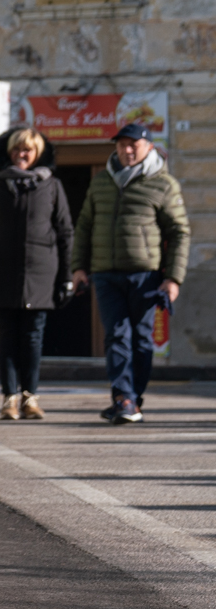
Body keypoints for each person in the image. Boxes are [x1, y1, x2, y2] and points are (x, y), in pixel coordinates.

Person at [70, 121, 189, 426]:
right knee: (117, 335)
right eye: (122, 144)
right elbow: (84, 226)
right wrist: (79, 268)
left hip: (145, 276)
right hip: (106, 274)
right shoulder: (101, 182)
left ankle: (131, 397)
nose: (127, 150)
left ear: (148, 146)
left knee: (141, 340)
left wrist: (172, 278)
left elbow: (178, 232)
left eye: (133, 144)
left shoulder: (163, 184)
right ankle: (124, 397)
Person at [0, 126, 73, 421]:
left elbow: (65, 233)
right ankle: (9, 397)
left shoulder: (52, 186)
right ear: (8, 152)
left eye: (28, 150)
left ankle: (30, 397)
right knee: (8, 337)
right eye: (16, 149)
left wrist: (66, 276)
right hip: (1, 273)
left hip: (40, 274)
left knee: (33, 338)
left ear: (38, 154)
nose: (22, 154)